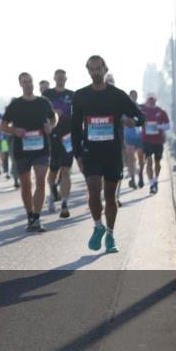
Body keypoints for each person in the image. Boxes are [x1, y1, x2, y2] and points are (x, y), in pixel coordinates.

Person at [71, 56, 144, 255]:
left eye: (98, 69)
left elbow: (140, 116)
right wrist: (77, 154)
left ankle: (110, 234)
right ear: (88, 71)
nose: (95, 72)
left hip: (112, 152)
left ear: (105, 69)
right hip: (90, 152)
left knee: (110, 195)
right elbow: (75, 128)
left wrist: (131, 121)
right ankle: (98, 225)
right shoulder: (80, 96)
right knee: (94, 191)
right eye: (92, 69)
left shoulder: (118, 95)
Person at [0, 73, 56, 232]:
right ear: (20, 85)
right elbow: (2, 125)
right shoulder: (15, 105)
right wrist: (14, 130)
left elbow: (54, 118)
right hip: (22, 149)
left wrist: (50, 126)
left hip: (41, 148)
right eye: (24, 82)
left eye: (30, 81)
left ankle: (37, 218)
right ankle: (30, 215)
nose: (28, 84)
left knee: (40, 180)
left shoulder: (43, 102)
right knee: (26, 184)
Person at [42, 69, 75, 214]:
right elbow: (42, 113)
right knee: (53, 171)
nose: (60, 79)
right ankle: (53, 190)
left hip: (67, 137)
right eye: (58, 77)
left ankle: (64, 203)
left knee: (66, 170)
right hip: (51, 137)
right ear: (54, 78)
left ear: (66, 79)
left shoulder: (72, 95)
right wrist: (55, 111)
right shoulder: (48, 95)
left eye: (63, 77)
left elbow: (77, 115)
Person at [140, 92, 172, 194]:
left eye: (153, 99)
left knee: (157, 162)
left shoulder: (161, 111)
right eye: (149, 99)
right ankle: (151, 184)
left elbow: (167, 126)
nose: (151, 101)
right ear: (147, 100)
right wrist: (142, 127)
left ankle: (156, 180)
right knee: (149, 161)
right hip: (147, 140)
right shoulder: (142, 111)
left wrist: (158, 127)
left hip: (158, 140)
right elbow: (137, 123)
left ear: (155, 100)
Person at [123, 89, 145, 190]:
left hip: (139, 136)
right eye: (131, 96)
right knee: (130, 158)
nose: (133, 97)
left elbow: (144, 121)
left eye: (135, 95)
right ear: (129, 97)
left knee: (141, 158)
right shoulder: (124, 109)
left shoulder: (140, 108)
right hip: (129, 136)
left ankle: (140, 175)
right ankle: (132, 179)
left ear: (137, 97)